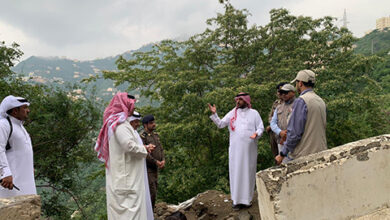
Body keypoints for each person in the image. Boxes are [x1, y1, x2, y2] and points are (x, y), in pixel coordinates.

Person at [95, 93, 154, 220]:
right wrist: (144, 149)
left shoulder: (120, 124)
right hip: (127, 179)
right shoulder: (120, 126)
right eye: (131, 105)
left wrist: (143, 148)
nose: (133, 108)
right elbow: (129, 146)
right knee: (129, 212)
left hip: (127, 177)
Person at [208, 92, 264, 210]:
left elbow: (260, 127)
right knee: (236, 172)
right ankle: (236, 201)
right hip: (235, 150)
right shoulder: (233, 113)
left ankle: (247, 200)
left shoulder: (254, 113)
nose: (238, 102)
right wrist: (214, 114)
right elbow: (220, 124)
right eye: (237, 100)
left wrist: (256, 133)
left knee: (248, 173)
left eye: (240, 100)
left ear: (246, 101)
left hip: (249, 151)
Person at [275, 70, 327, 165]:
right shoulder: (320, 100)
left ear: (300, 83)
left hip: (304, 154)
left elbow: (295, 132)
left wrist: (282, 154)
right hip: (321, 151)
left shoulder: (301, 101)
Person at [0, 95, 36, 198]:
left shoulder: (20, 126)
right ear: (15, 111)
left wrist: (29, 167)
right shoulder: (3, 125)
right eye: (24, 108)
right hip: (11, 181)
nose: (28, 110)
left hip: (26, 179)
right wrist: (5, 173)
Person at [129, 111, 154, 220]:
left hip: (143, 169)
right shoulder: (129, 133)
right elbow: (132, 148)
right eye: (135, 122)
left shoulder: (134, 133)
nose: (137, 124)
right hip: (135, 171)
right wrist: (145, 148)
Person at [140, 114, 165, 210]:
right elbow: (145, 153)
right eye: (151, 123)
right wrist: (155, 162)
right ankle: (148, 212)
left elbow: (161, 149)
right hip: (148, 168)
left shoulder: (155, 135)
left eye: (154, 122)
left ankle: (151, 211)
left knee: (155, 189)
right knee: (151, 191)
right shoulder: (143, 137)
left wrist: (163, 160)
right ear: (145, 125)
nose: (154, 124)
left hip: (156, 168)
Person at [270, 84, 296, 155]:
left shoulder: (298, 104)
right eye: (282, 93)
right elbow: (273, 123)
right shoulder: (278, 107)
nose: (283, 95)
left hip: (295, 141)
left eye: (286, 92)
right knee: (284, 163)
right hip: (281, 141)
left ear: (293, 92)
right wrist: (280, 132)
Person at [266, 82, 287, 161]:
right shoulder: (276, 103)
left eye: (281, 91)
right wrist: (272, 125)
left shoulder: (289, 102)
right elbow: (271, 116)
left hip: (284, 132)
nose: (279, 93)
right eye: (278, 91)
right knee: (276, 154)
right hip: (274, 133)